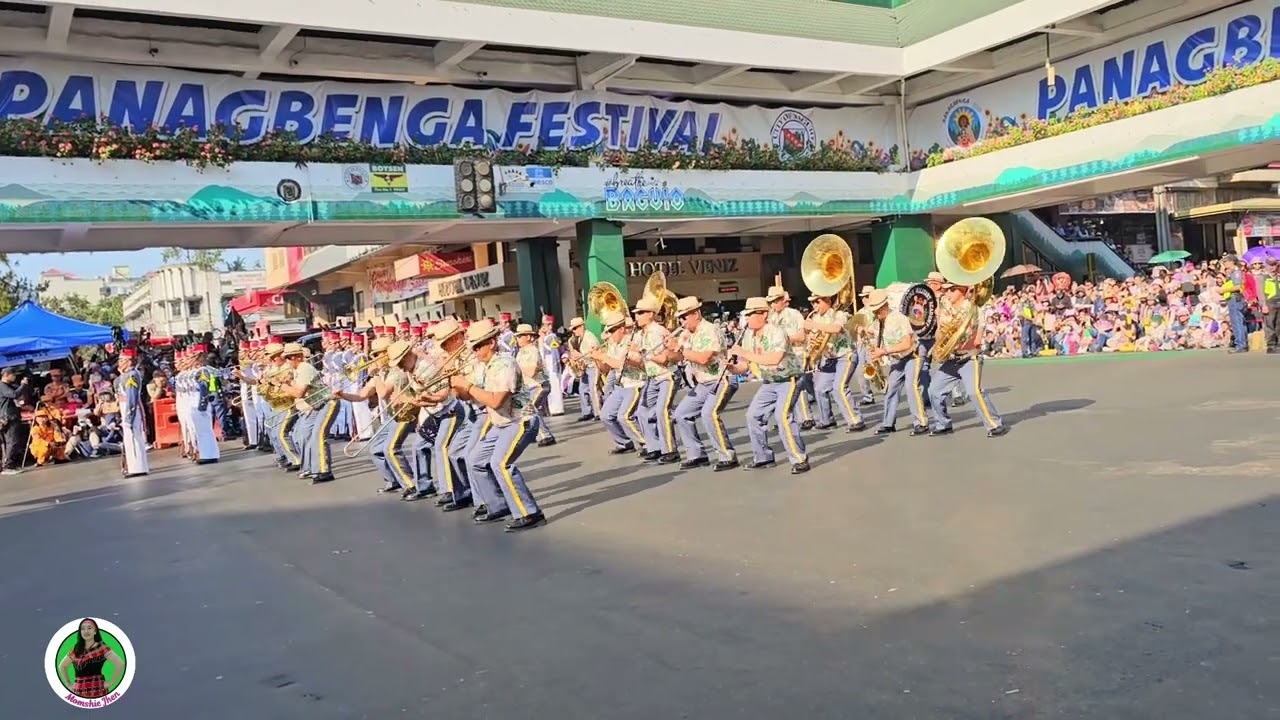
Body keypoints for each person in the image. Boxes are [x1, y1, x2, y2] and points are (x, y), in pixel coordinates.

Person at [451, 318, 546, 532]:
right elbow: (468, 395)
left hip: (521, 420)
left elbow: (495, 401)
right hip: (501, 423)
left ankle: (530, 512)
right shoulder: (485, 366)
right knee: (475, 460)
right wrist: (455, 386)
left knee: (500, 463)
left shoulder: (505, 363)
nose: (475, 352)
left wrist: (467, 385)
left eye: (478, 347)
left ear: (491, 343)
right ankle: (498, 505)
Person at [729, 296, 809, 473]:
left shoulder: (777, 332)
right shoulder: (748, 335)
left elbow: (774, 359)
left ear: (763, 314)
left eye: (751, 314)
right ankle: (763, 457)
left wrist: (745, 354)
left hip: (789, 378)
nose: (747, 318)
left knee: (783, 416)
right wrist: (730, 367)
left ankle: (799, 459)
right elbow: (744, 366)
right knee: (753, 416)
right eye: (746, 315)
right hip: (769, 381)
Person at [927, 282, 1009, 438]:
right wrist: (940, 330)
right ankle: (943, 424)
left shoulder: (973, 308)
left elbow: (978, 335)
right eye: (946, 290)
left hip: (969, 358)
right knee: (934, 391)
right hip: (951, 360)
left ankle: (994, 424)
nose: (947, 294)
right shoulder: (945, 310)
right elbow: (938, 335)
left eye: (951, 290)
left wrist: (972, 340)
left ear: (962, 291)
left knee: (974, 391)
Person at [668, 296, 738, 471]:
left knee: (709, 414)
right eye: (680, 318)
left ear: (696, 314)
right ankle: (696, 454)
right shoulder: (686, 334)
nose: (682, 321)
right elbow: (677, 357)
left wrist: (681, 349)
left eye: (684, 317)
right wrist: (669, 348)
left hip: (720, 379)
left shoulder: (710, 330)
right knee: (681, 414)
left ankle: (727, 455)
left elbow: (704, 358)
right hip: (702, 383)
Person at [630, 296, 679, 464]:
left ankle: (670, 450)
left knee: (661, 411)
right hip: (652, 378)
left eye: (641, 313)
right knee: (642, 412)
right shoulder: (640, 334)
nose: (637, 316)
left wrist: (642, 351)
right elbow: (640, 359)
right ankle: (654, 447)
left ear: (651, 314)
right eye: (636, 313)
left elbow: (664, 359)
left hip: (666, 375)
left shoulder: (658, 331)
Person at [863, 289, 918, 435]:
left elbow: (907, 344)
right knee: (891, 390)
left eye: (877, 310)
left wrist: (884, 351)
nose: (875, 314)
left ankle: (920, 422)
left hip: (912, 356)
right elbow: (877, 338)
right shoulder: (878, 322)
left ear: (885, 306)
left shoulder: (899, 318)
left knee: (911, 388)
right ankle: (888, 424)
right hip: (897, 359)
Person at [594, 310, 646, 454]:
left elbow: (621, 365)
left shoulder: (630, 342)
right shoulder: (613, 345)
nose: (609, 335)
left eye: (612, 331)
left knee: (625, 416)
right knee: (606, 415)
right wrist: (597, 358)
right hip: (621, 386)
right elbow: (605, 369)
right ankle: (624, 443)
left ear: (622, 329)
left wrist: (603, 357)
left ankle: (648, 443)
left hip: (634, 384)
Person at [58, 619, 125, 700]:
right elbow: (62, 666)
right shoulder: (76, 649)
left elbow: (120, 664)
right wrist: (68, 684)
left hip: (97, 691)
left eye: (89, 628)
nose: (86, 631)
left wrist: (110, 683)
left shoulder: (101, 647)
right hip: (78, 692)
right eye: (83, 629)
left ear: (95, 631)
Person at [514, 323, 558, 447]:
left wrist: (518, 369)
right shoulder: (521, 352)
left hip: (538, 385)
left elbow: (531, 371)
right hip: (529, 386)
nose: (518, 339)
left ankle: (546, 436)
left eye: (520, 336)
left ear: (528, 337)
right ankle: (533, 433)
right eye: (517, 336)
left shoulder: (533, 351)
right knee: (526, 410)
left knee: (530, 409)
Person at [114, 348, 149, 477]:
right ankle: (134, 466)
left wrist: (129, 416)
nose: (119, 363)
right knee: (129, 438)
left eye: (121, 360)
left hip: (130, 409)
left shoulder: (132, 375)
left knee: (134, 438)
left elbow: (132, 398)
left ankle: (138, 467)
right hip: (124, 407)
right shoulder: (125, 375)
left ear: (129, 361)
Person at [0, 367, 25, 475]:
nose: (15, 377)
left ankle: (12, 464)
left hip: (13, 415)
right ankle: (7, 466)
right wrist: (23, 385)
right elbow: (14, 394)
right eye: (13, 375)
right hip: (8, 417)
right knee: (11, 441)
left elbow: (17, 394)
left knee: (14, 441)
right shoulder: (2, 386)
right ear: (6, 375)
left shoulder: (9, 386)